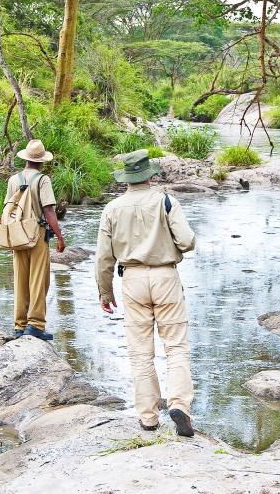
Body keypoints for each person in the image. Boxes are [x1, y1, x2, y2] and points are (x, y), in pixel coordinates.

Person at [95, 149, 197, 437]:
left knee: (140, 352)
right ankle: (179, 405)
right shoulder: (167, 201)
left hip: (132, 279)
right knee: (176, 347)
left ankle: (148, 417)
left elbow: (103, 257)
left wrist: (105, 293)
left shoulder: (112, 208)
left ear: (126, 178)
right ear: (150, 175)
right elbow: (187, 242)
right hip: (166, 277)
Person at [5, 139, 65, 340]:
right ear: (42, 161)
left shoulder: (13, 179)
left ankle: (19, 325)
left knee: (20, 279)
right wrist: (59, 236)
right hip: (37, 234)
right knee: (38, 279)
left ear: (26, 158)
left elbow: (8, 209)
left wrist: (9, 236)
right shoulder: (42, 180)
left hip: (17, 233)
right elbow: (48, 210)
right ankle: (36, 324)